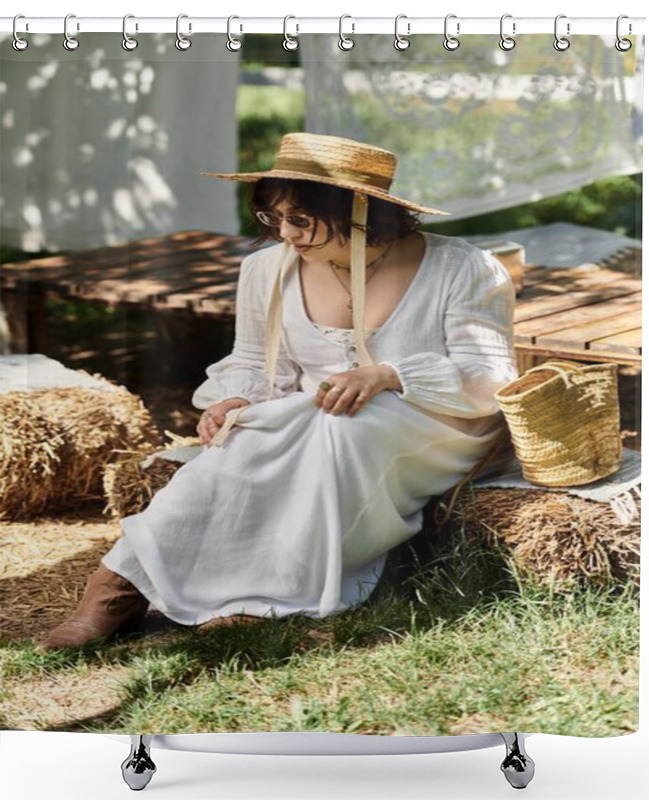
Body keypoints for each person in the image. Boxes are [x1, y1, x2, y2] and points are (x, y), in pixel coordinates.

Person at [44, 132, 518, 649]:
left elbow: (488, 379)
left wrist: (389, 374)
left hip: (435, 422)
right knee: (248, 435)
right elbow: (252, 361)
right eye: (274, 217)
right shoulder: (265, 269)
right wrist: (235, 401)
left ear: (360, 212)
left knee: (339, 426)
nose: (285, 233)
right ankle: (117, 586)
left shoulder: (464, 268)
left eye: (300, 219)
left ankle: (258, 592)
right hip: (311, 418)